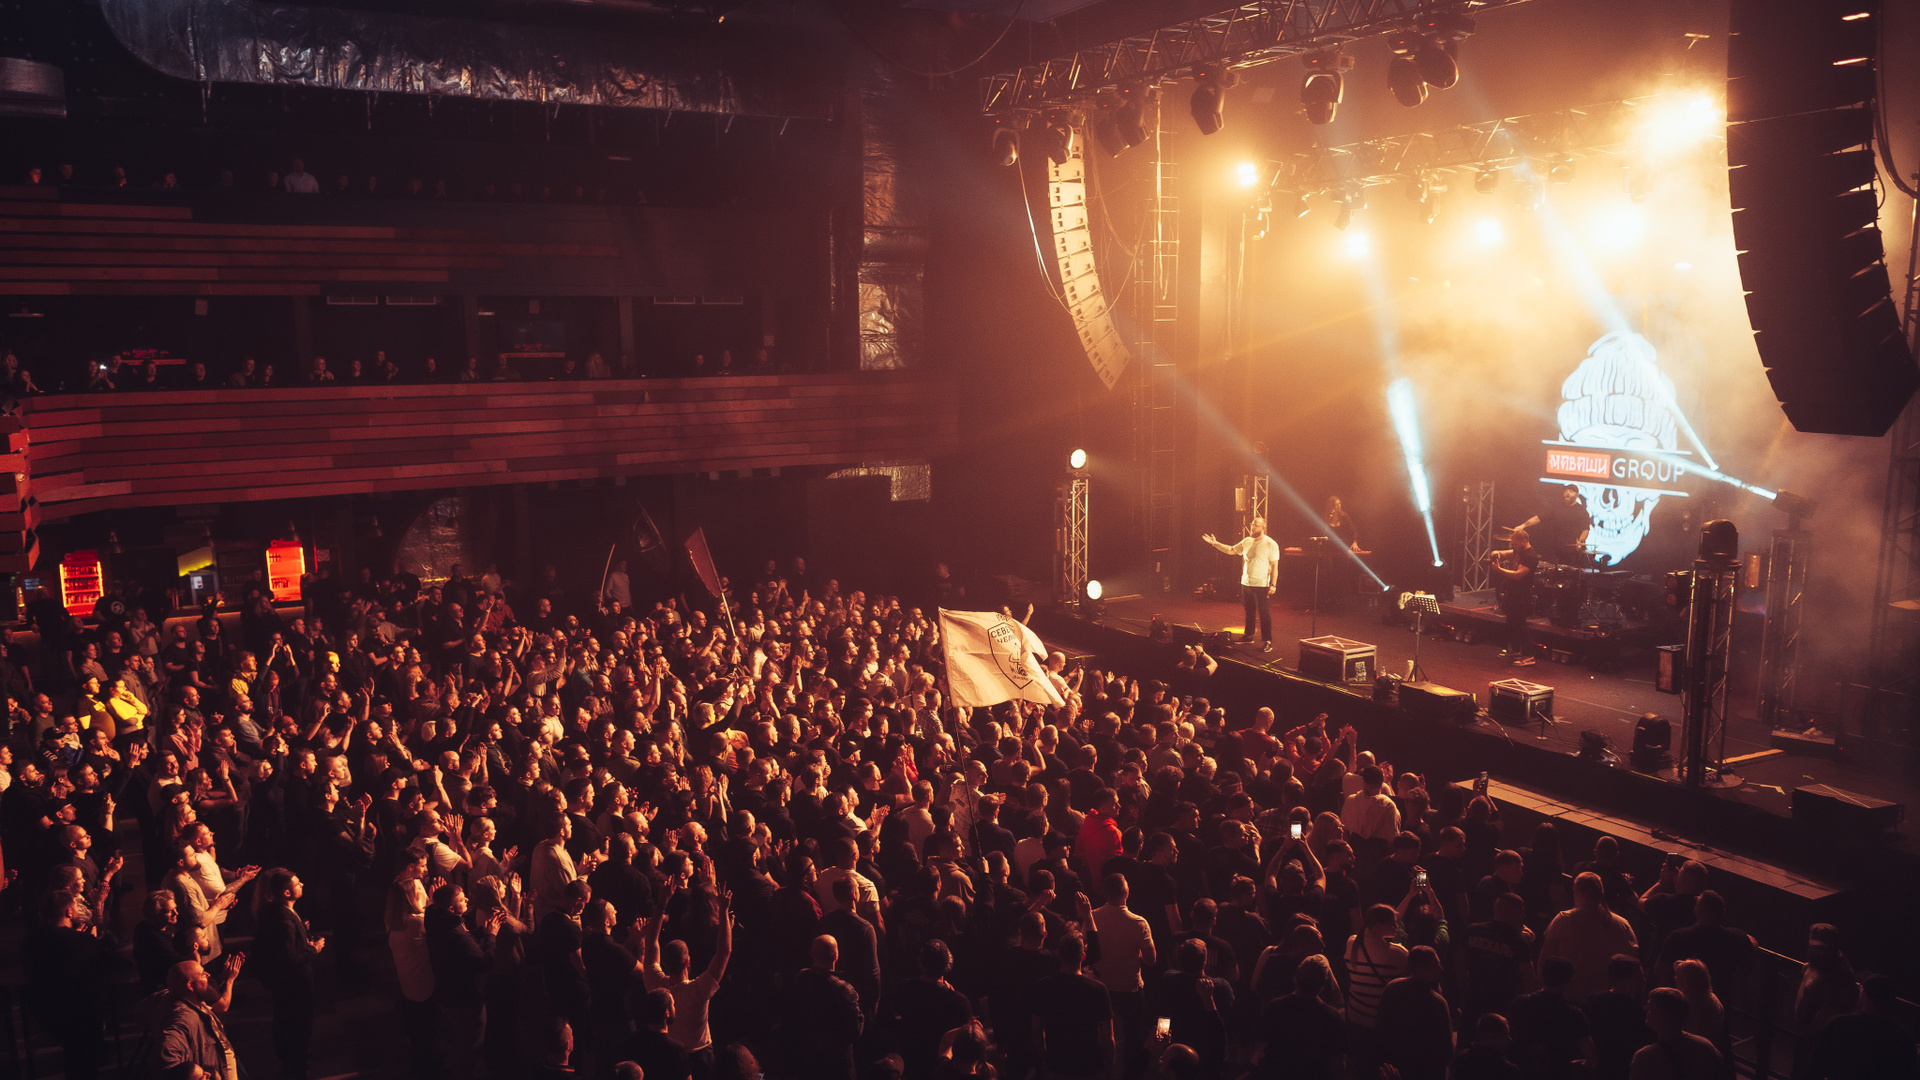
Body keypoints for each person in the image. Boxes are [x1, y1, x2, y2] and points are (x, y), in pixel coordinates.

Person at [252, 869, 324, 1080]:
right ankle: (297, 1068)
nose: (302, 884)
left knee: (286, 1023)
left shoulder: (275, 911)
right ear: (286, 893)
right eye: (297, 883)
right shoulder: (284, 920)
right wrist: (313, 949)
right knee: (298, 1028)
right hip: (296, 986)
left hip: (283, 986)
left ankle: (291, 1062)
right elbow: (289, 960)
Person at [1541, 872, 1637, 1001]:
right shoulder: (1621, 924)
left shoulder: (1563, 920)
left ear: (1579, 892)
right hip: (1607, 1000)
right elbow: (1633, 960)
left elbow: (1545, 958)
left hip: (1571, 996)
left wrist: (1544, 991)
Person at [1035, 932, 1115, 1080]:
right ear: (1082, 956)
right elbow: (1107, 1038)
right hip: (1091, 1067)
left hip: (1057, 1065)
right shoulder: (1098, 989)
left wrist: (1042, 1063)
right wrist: (1109, 1070)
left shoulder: (1043, 986)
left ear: (1058, 954)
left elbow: (1037, 1031)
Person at [1253, 954, 1345, 1080]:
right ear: (1324, 983)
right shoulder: (1333, 1017)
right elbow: (1338, 1064)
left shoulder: (1274, 1007)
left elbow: (1259, 1048)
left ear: (1296, 976)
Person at [152, 958, 245, 1079]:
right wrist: (198, 1075)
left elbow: (139, 1009)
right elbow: (166, 1059)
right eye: (202, 974)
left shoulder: (187, 998)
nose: (208, 975)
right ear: (190, 985)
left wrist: (223, 977)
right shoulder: (184, 1019)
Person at [1200, 517, 1281, 651]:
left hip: (1262, 584)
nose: (1252, 526)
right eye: (1252, 524)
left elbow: (1274, 566)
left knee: (1264, 613)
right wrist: (1215, 543)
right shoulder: (1247, 541)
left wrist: (1273, 584)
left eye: (1256, 525)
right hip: (1246, 582)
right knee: (1249, 611)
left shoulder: (1270, 544)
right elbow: (1231, 550)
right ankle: (1249, 635)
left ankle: (1268, 641)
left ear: (1263, 528)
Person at [1375, 945, 1453, 1080]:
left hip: (1396, 1067)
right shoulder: (1437, 1002)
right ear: (1423, 967)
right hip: (1427, 1071)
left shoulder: (1392, 987)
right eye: (1436, 964)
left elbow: (1380, 1027)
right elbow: (1446, 1051)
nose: (1440, 968)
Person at [1628, 988, 1720, 1080]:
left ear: (1663, 1016)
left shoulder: (1645, 1058)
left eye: (1651, 1008)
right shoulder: (1705, 1046)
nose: (1645, 1009)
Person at [1487, 527, 1540, 666]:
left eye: (1515, 544)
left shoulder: (1530, 556)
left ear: (1524, 540)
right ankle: (1515, 650)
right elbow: (1504, 553)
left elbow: (1518, 575)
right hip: (1513, 591)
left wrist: (1499, 569)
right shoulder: (1519, 550)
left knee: (1520, 623)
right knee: (1511, 622)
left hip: (1522, 593)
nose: (1514, 547)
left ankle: (1528, 655)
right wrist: (1496, 554)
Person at [1516, 485, 1593, 565]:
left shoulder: (1582, 511)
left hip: (1572, 551)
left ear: (1577, 495)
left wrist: (1580, 542)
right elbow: (1538, 518)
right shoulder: (1557, 508)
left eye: (1571, 491)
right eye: (1566, 491)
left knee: (1570, 571)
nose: (1567, 493)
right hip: (1557, 549)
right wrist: (1523, 525)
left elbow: (1585, 530)